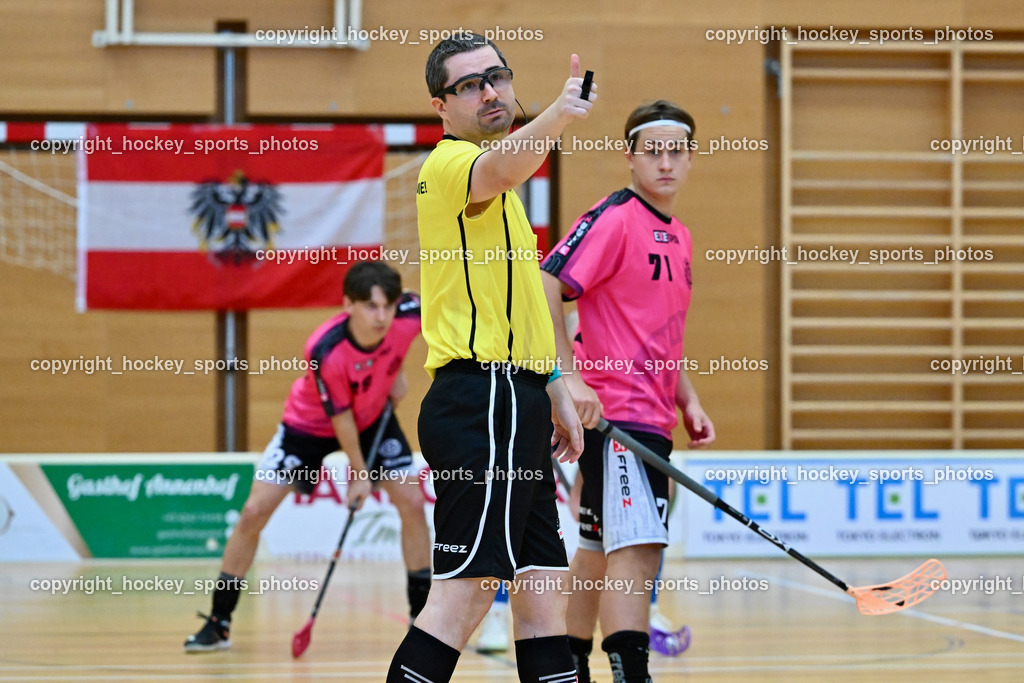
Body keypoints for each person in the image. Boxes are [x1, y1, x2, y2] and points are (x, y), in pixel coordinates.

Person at [385, 32, 592, 683]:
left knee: (540, 593)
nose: (491, 91)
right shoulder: (448, 166)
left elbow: (526, 300)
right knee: (466, 593)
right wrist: (559, 112)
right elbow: (505, 165)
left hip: (518, 396)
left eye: (496, 76)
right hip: (482, 400)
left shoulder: (507, 196)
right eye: (470, 85)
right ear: (441, 107)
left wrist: (554, 384)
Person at [540, 100, 716, 683]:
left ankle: (567, 669)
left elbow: (657, 332)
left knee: (596, 550)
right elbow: (547, 283)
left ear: (690, 159)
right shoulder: (616, 216)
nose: (665, 162)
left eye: (677, 151)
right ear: (631, 157)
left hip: (652, 415)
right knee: (637, 555)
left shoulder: (682, 236)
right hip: (616, 419)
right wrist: (569, 376)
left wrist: (686, 397)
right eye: (653, 151)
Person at [184, 261, 431, 652]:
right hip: (310, 426)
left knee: (413, 504)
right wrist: (360, 473)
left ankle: (423, 617)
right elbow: (340, 416)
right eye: (370, 306)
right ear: (347, 304)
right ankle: (219, 622)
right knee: (253, 512)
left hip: (372, 417)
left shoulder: (411, 313)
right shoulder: (325, 349)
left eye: (388, 306)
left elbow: (450, 318)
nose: (381, 316)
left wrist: (396, 371)